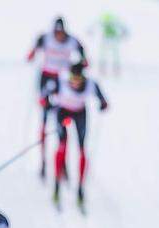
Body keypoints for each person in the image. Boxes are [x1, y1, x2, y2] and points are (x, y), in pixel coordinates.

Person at [27, 17, 87, 179]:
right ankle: (43, 161)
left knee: (62, 121)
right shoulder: (45, 38)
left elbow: (83, 56)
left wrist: (82, 63)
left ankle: (62, 164)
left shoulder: (72, 41)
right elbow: (32, 53)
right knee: (45, 119)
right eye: (56, 33)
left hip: (63, 81)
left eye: (61, 33)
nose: (59, 36)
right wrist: (32, 52)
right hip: (47, 78)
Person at [46, 62, 108, 208]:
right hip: (63, 113)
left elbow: (103, 99)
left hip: (80, 113)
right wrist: (47, 103)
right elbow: (46, 96)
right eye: (72, 80)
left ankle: (80, 188)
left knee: (82, 149)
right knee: (62, 145)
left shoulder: (91, 84)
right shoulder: (60, 82)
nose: (75, 84)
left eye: (78, 80)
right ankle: (57, 184)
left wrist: (103, 104)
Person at [90, 11, 129, 76]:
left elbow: (122, 26)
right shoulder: (107, 19)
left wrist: (124, 32)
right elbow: (95, 24)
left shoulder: (112, 20)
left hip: (112, 39)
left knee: (113, 55)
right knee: (105, 54)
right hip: (107, 39)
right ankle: (104, 69)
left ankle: (114, 70)